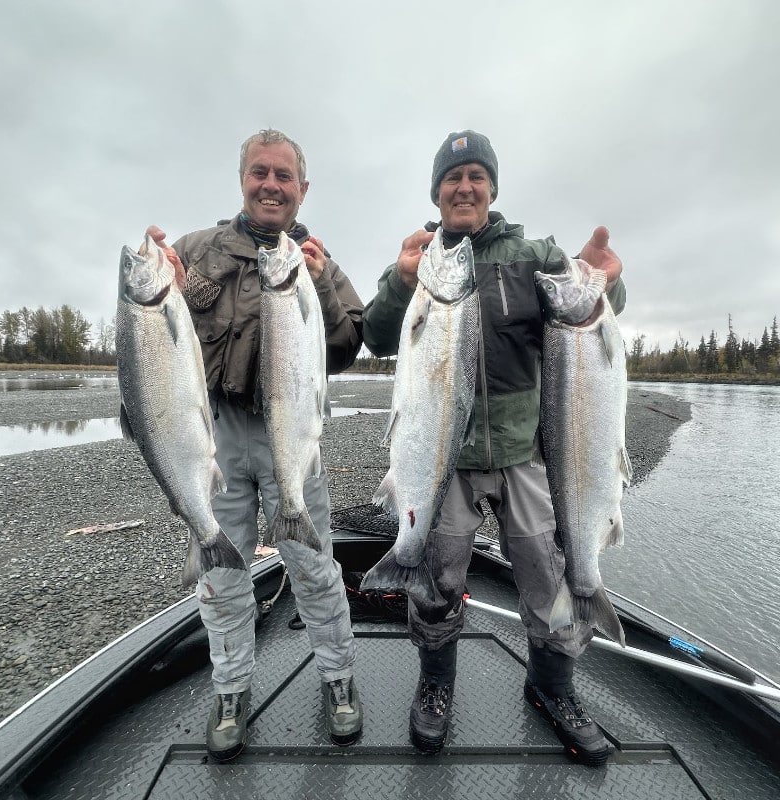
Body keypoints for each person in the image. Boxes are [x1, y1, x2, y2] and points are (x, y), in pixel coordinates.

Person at [361, 130, 625, 765]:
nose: (464, 187)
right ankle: (435, 684)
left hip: (525, 453)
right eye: (453, 178)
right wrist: (400, 282)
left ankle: (552, 687)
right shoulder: (419, 258)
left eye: (476, 175)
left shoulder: (532, 253)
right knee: (436, 574)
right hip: (442, 461)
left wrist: (605, 281)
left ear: (492, 188)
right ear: (437, 191)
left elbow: (590, 316)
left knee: (547, 572)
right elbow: (373, 333)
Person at [147, 128, 364, 761]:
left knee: (316, 568)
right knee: (220, 574)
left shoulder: (316, 259)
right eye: (259, 173)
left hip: (291, 438)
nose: (271, 185)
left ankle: (339, 678)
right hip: (217, 436)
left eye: (284, 176)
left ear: (302, 188)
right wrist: (170, 290)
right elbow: (160, 344)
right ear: (243, 179)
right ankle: (231, 688)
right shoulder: (197, 251)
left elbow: (350, 345)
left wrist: (320, 283)